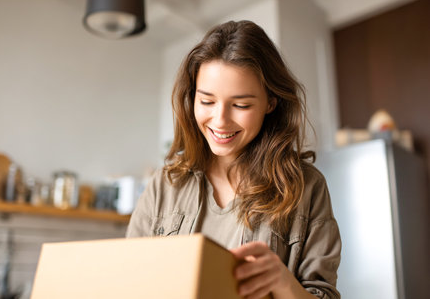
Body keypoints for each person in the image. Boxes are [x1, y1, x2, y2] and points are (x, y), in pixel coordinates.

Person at [127, 20, 341, 299]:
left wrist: (284, 283)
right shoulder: (163, 186)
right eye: (206, 101)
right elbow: (130, 283)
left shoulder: (306, 187)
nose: (220, 121)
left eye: (241, 105)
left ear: (271, 103)